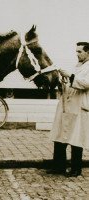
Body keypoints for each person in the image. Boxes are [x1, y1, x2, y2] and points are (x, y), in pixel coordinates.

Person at [48, 42, 89, 177]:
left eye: (80, 52)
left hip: (78, 105)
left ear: (88, 52)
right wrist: (62, 83)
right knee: (60, 135)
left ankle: (75, 169)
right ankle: (58, 166)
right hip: (67, 104)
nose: (77, 54)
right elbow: (71, 82)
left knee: (76, 138)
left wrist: (70, 76)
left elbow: (85, 84)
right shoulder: (77, 66)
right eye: (76, 51)